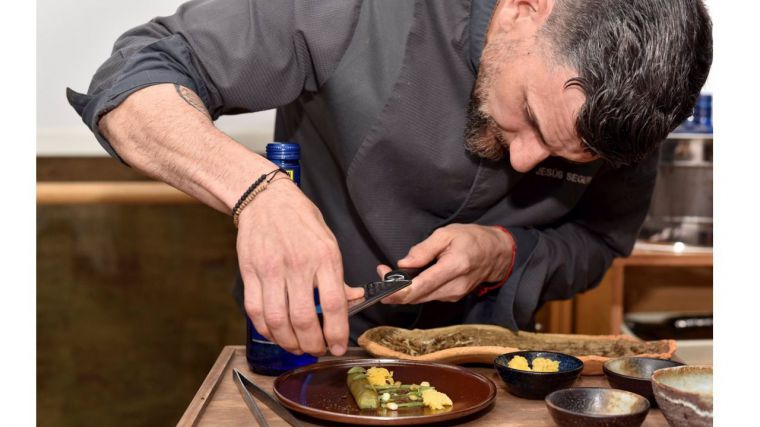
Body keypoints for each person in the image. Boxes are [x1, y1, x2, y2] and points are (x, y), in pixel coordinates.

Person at [67, 0, 712, 357]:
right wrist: (259, 193)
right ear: (526, 8)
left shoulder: (629, 106)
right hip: (309, 348)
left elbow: (598, 243)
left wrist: (506, 251)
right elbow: (133, 83)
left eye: (568, 157)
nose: (527, 161)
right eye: (534, 120)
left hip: (491, 363)